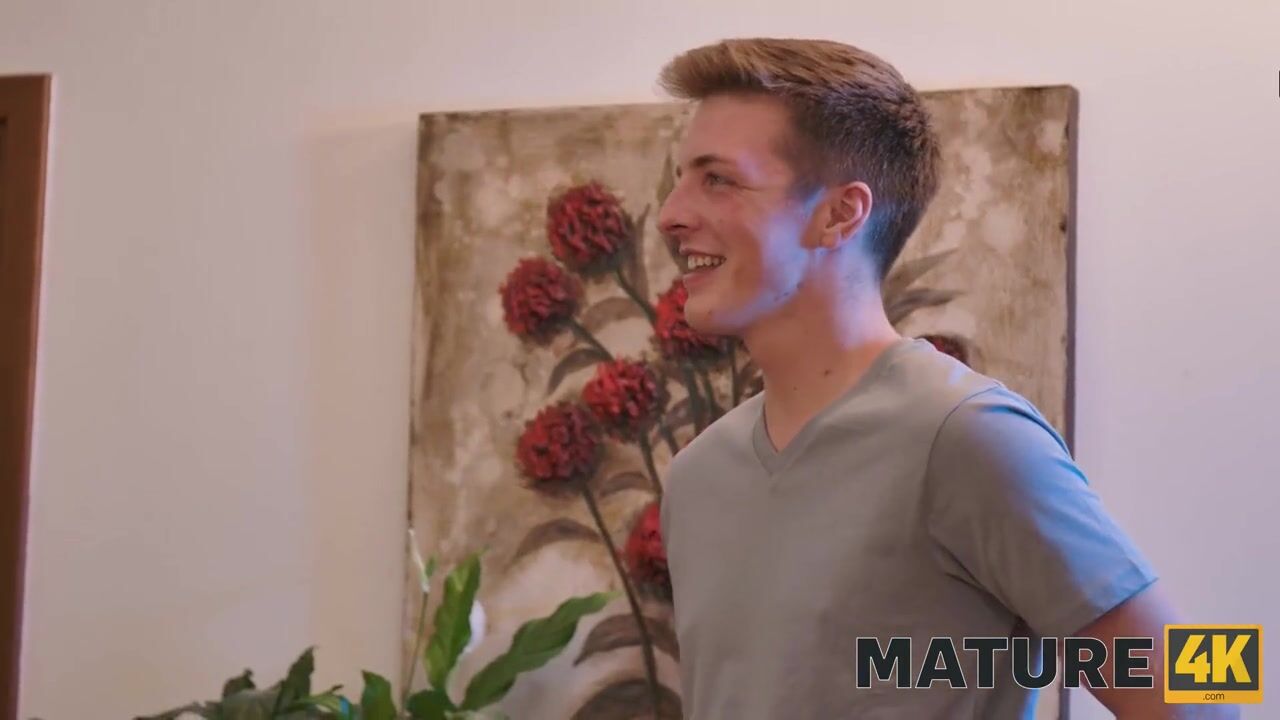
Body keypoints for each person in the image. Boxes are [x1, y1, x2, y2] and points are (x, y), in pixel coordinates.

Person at [655, 38, 1235, 719]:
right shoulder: (698, 476)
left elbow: (1205, 689)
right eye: (683, 178)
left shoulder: (969, 437)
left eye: (718, 180)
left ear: (840, 213)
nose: (671, 214)